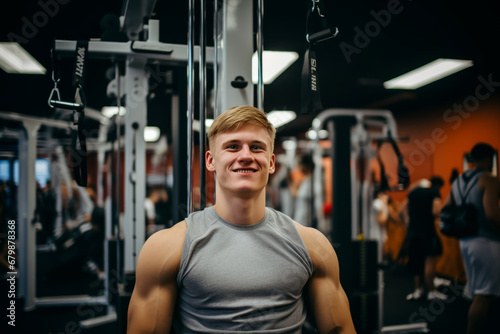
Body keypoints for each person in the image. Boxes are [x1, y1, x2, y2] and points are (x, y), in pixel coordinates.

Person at [127, 106, 356, 333]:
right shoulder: (167, 246)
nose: (245, 156)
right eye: (233, 146)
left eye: (256, 147)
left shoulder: (312, 244)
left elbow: (339, 329)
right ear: (210, 161)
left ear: (272, 162)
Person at [443, 142, 500, 334]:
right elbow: (492, 214)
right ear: (487, 158)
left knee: (480, 294)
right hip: (486, 242)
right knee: (484, 296)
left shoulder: (458, 180)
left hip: (465, 242)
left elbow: (446, 208)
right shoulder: (489, 179)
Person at [401, 175, 447, 301]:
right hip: (427, 231)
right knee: (429, 261)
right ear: (438, 185)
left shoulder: (413, 192)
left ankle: (418, 290)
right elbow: (436, 211)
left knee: (416, 261)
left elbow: (402, 210)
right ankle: (432, 291)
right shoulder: (434, 191)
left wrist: (407, 223)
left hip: (413, 232)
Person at [293, 153, 315, 227]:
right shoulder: (305, 180)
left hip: (307, 223)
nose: (299, 167)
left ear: (305, 165)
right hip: (300, 221)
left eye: (300, 164)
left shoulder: (312, 182)